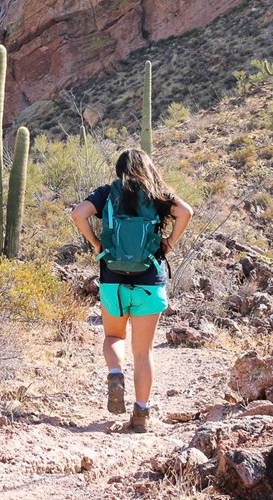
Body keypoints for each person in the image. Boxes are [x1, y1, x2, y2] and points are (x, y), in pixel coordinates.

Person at [70, 148, 193, 433]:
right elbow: (187, 212)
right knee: (143, 350)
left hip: (113, 280)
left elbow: (78, 214)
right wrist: (169, 243)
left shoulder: (107, 193)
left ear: (119, 169)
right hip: (149, 281)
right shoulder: (158, 195)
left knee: (113, 336)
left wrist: (96, 244)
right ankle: (141, 414)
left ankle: (115, 374)